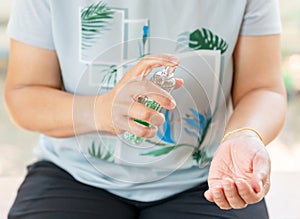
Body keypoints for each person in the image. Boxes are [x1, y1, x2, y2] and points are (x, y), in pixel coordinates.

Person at [5, 0, 286, 218]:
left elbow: (262, 88)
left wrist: (244, 135)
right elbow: (24, 95)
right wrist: (103, 111)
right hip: (74, 173)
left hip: (207, 176)